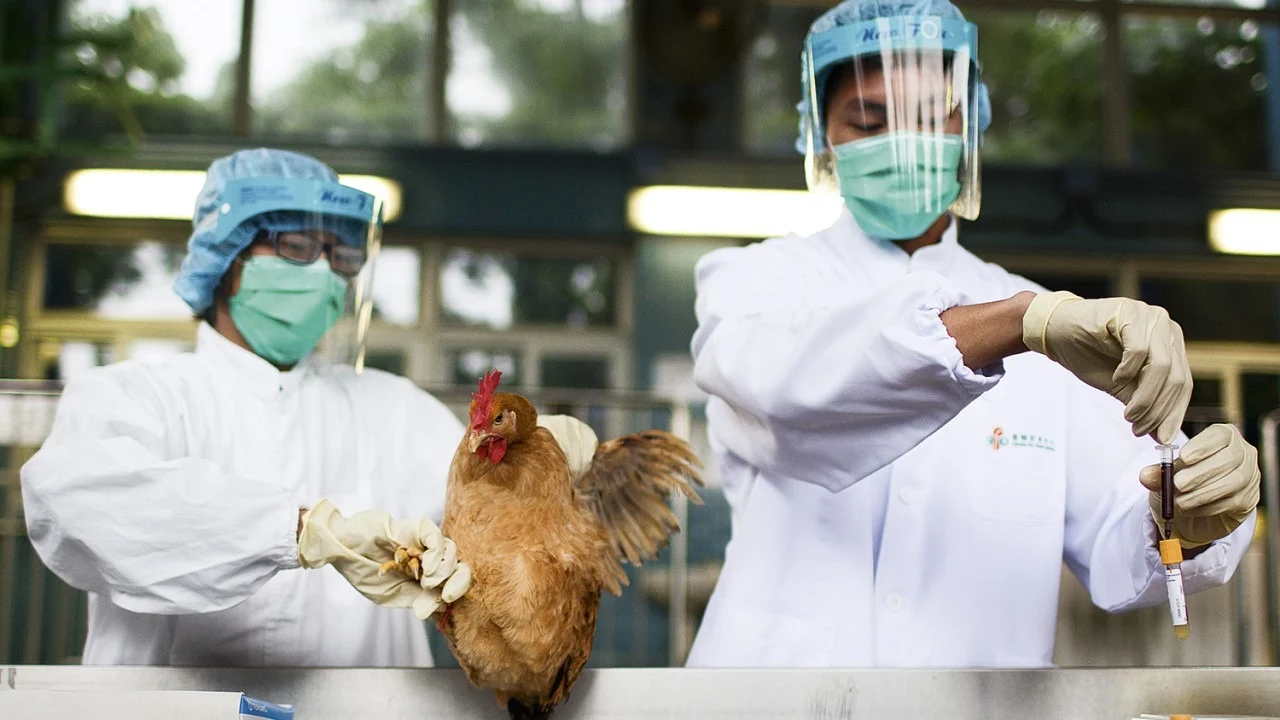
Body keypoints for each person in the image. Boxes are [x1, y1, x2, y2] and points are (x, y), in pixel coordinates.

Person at [685, 0, 1261, 668]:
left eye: (931, 118)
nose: (903, 143)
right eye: (870, 121)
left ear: (973, 124)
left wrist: (1185, 517)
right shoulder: (757, 282)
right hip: (773, 703)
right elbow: (789, 394)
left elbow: (1122, 533)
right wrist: (1019, 324)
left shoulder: (1053, 325)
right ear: (821, 137)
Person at [21, 148, 473, 667]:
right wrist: (299, 530)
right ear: (226, 255)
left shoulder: (394, 409)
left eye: (341, 258)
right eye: (299, 246)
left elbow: (495, 510)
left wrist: (556, 464)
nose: (326, 274)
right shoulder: (137, 396)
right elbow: (78, 503)